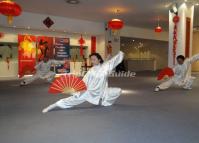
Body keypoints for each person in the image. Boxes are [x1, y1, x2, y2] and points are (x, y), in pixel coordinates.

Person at [42, 51, 124, 113]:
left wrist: (120, 53)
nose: (92, 61)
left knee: (118, 91)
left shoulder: (105, 67)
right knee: (73, 100)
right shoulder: (91, 71)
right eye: (91, 59)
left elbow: (111, 62)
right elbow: (84, 81)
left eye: (94, 59)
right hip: (89, 91)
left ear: (99, 60)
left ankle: (103, 101)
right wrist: (80, 91)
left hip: (102, 92)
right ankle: (53, 105)